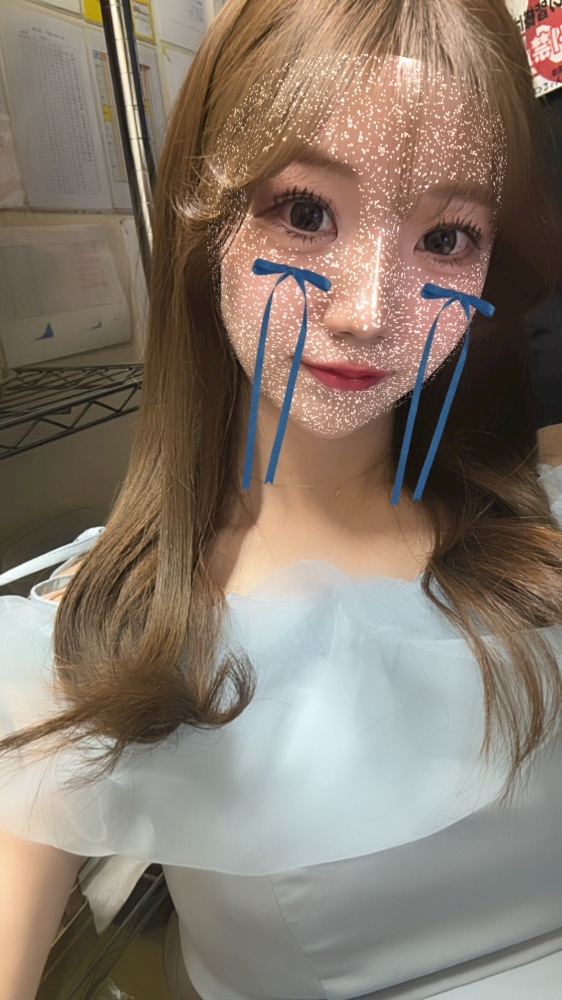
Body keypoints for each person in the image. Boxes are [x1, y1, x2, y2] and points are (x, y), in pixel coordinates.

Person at [2, 1, 562, 998]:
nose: (366, 310)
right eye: (305, 214)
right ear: (203, 216)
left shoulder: (539, 540)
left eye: (445, 236)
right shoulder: (100, 638)